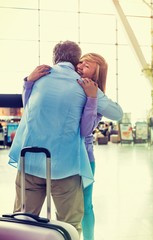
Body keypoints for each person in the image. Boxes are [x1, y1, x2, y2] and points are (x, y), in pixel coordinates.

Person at [22, 52, 123, 240]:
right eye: (80, 62)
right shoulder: (71, 86)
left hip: (83, 158)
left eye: (86, 66)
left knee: (86, 205)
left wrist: (92, 97)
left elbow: (92, 127)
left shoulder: (93, 93)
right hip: (59, 157)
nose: (80, 66)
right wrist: (28, 81)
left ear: (96, 74)